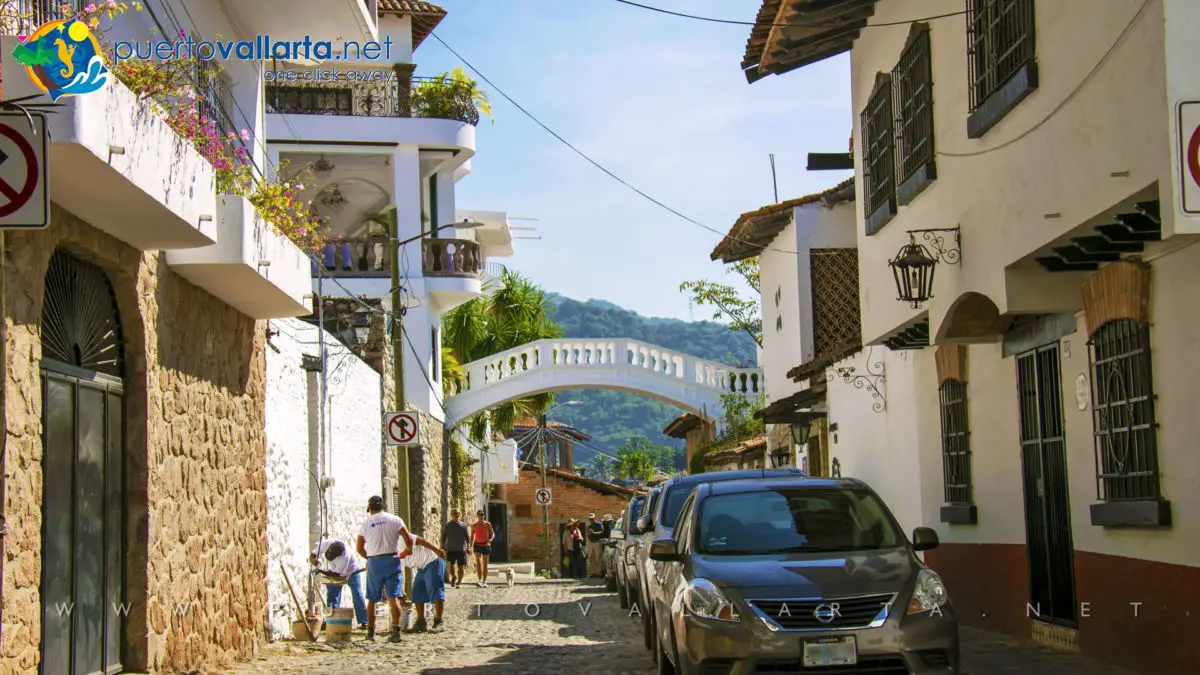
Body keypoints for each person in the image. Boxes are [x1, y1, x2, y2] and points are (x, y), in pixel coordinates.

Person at [356, 495, 413, 643]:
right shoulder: (395, 520)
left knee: (372, 599)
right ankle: (396, 631)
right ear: (383, 506)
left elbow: (359, 548)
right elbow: (409, 539)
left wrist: (369, 558)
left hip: (375, 561)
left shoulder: (366, 523)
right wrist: (407, 551)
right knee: (393, 598)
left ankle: (370, 632)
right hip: (392, 559)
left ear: (370, 509)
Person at [310, 539, 368, 629]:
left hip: (352, 572)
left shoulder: (345, 556)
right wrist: (313, 559)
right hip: (335, 571)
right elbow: (313, 554)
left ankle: (363, 621)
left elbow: (337, 574)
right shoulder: (328, 543)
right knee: (332, 595)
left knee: (357, 594)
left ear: (339, 555)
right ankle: (331, 620)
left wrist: (321, 571)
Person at [400, 531, 448, 632]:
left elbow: (420, 540)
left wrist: (437, 550)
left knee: (435, 589)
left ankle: (439, 621)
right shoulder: (389, 552)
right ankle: (421, 622)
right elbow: (397, 571)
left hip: (432, 561)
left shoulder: (401, 538)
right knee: (417, 592)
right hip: (421, 567)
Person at [441, 509, 470, 589]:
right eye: (455, 513)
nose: (457, 515)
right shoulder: (448, 525)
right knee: (452, 565)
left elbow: (467, 538)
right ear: (451, 515)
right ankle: (453, 576)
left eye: (458, 513)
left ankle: (459, 582)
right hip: (451, 549)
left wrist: (469, 546)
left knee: (461, 567)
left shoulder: (463, 525)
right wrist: (442, 544)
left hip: (461, 549)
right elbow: (444, 535)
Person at [470, 510, 495, 587]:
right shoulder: (474, 525)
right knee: (478, 563)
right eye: (480, 515)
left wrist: (490, 541)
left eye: (482, 515)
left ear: (484, 516)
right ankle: (480, 580)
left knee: (485, 564)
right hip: (477, 545)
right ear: (477, 516)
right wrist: (470, 546)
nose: (481, 516)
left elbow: (493, 534)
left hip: (485, 545)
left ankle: (485, 581)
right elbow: (471, 536)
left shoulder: (487, 524)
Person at [585, 513, 606, 578]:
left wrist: (594, 533)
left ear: (594, 518)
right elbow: (588, 535)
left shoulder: (599, 524)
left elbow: (602, 532)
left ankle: (598, 572)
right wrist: (589, 534)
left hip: (597, 542)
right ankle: (592, 573)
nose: (591, 520)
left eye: (592, 519)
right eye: (590, 519)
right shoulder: (589, 527)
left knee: (598, 557)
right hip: (591, 542)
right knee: (591, 557)